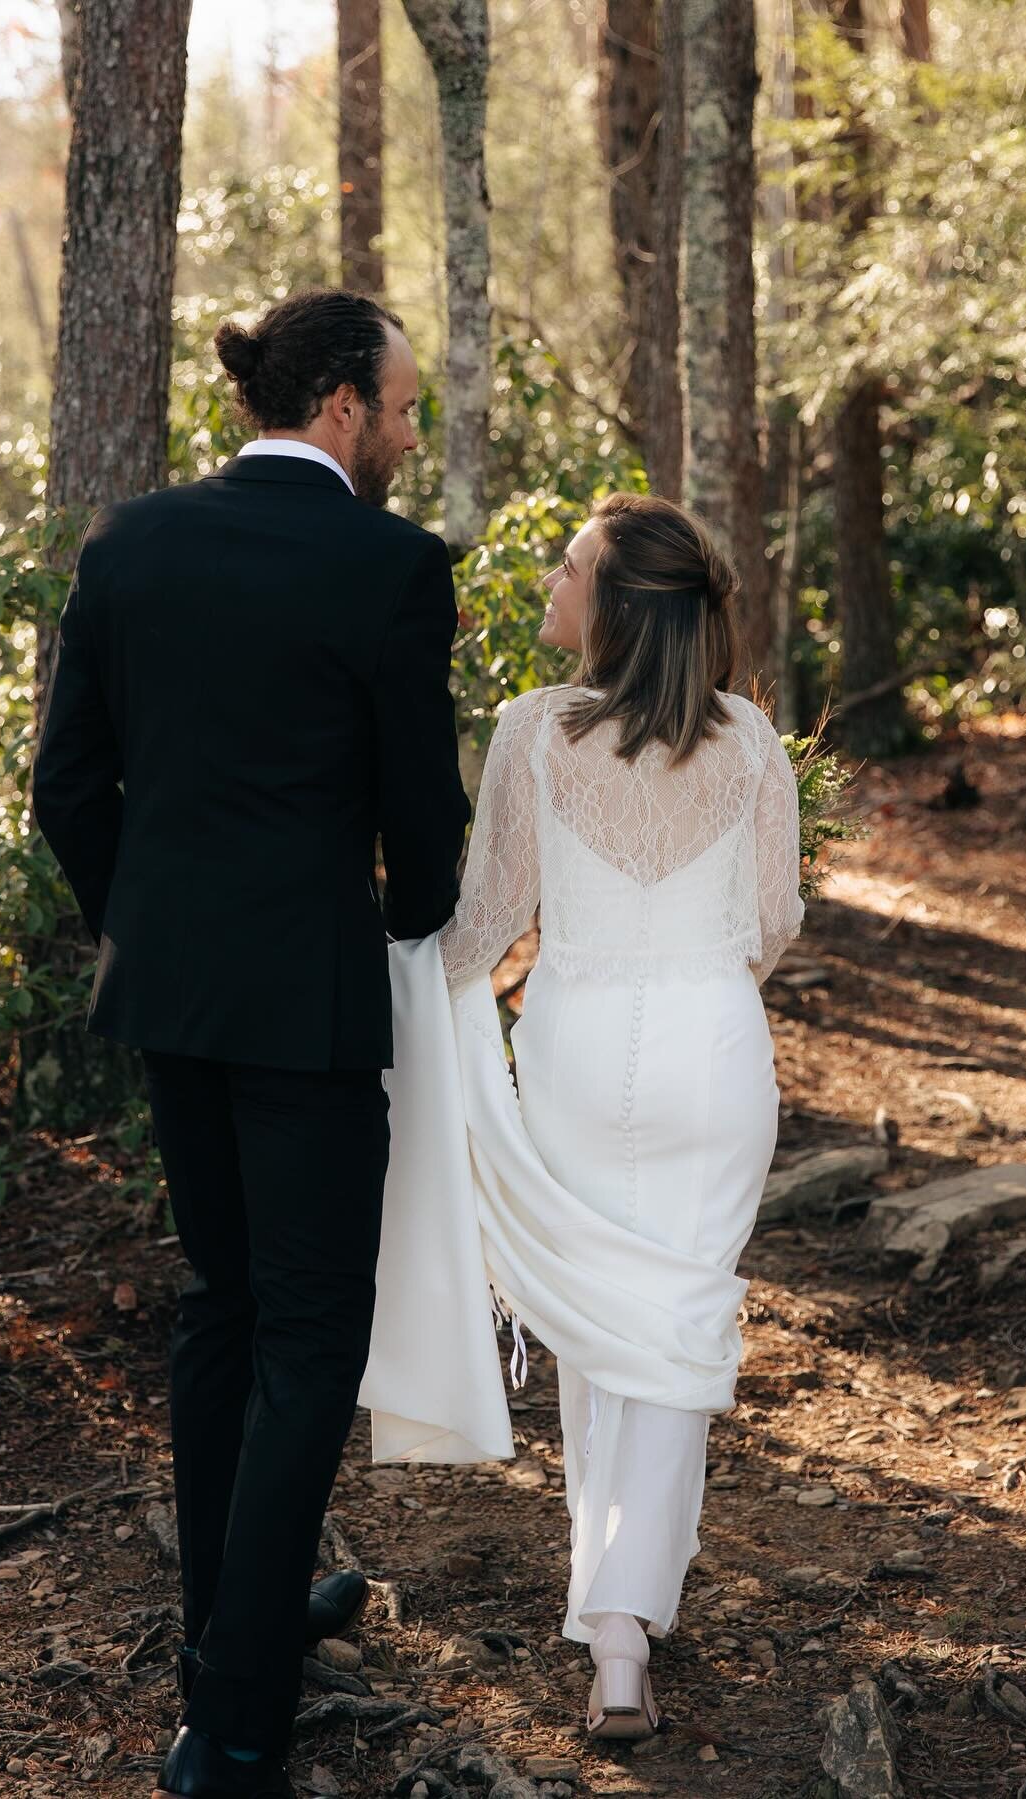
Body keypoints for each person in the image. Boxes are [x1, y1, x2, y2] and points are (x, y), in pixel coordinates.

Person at [32, 289, 470, 1799]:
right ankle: (232, 1721)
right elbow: (425, 818)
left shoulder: (130, 544)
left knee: (224, 1303)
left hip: (173, 999)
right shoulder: (392, 567)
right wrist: (411, 918)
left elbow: (69, 786)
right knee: (304, 1336)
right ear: (343, 403)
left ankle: (234, 1608)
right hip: (307, 1012)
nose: (411, 434)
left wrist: (146, 923)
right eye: (405, 407)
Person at [367, 491, 803, 1742]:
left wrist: (396, 993)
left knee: (604, 1328)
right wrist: (702, 989)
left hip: (569, 1045)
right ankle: (622, 1625)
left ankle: (611, 1620)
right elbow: (773, 920)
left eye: (568, 568)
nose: (551, 585)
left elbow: (488, 915)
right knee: (671, 1327)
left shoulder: (532, 731)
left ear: (614, 607)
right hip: (714, 1051)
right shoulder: (753, 741)